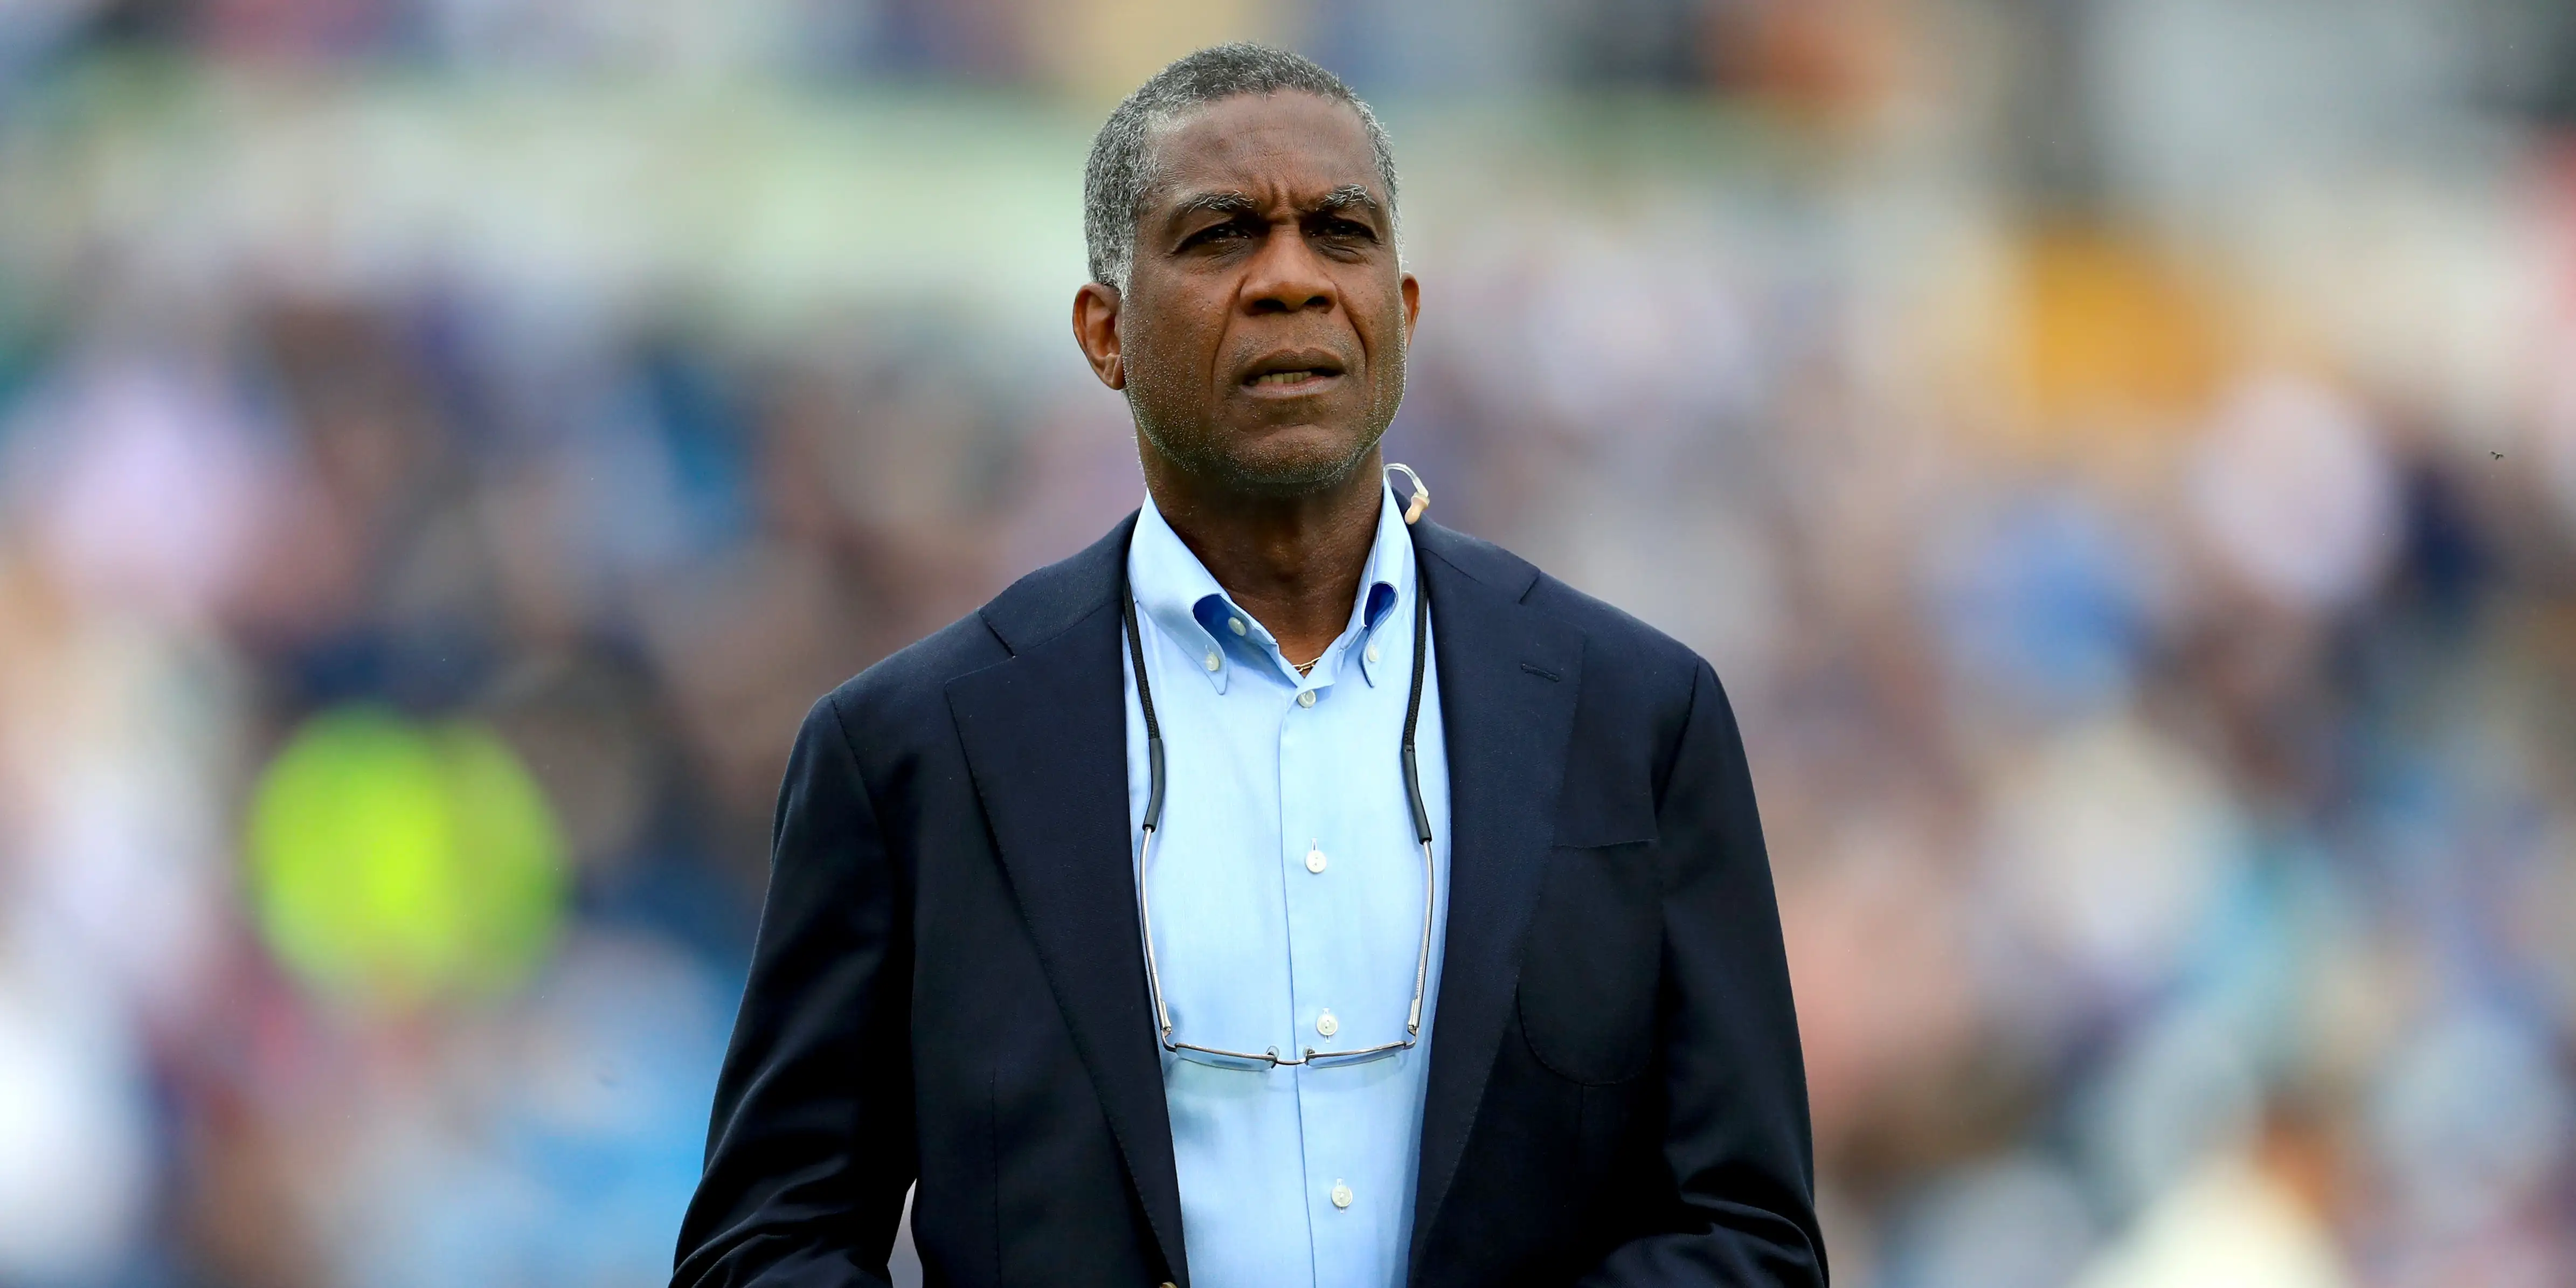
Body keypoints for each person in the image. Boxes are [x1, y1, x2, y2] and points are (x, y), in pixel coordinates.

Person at [673, 43, 1824, 1288]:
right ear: (1104, 333)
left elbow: (1748, 1236)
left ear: (1402, 312)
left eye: (1340, 232)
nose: (1290, 279)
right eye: (1220, 234)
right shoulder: (910, 751)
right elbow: (763, 1248)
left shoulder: (1634, 714)